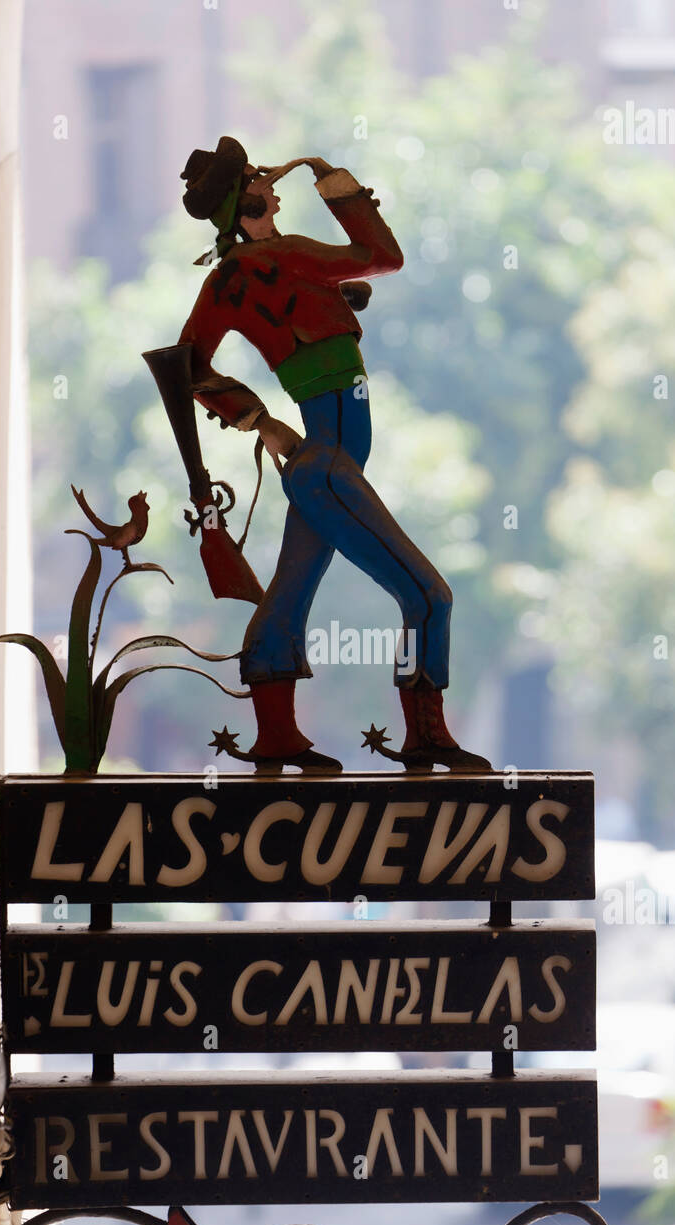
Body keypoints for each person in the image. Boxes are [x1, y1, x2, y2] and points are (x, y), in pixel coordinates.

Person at [178, 135, 491, 775]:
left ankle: (276, 739)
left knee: (290, 593)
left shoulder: (230, 281)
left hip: (319, 465)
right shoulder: (286, 258)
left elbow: (185, 366)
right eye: (261, 183)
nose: (272, 182)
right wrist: (333, 182)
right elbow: (382, 255)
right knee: (429, 595)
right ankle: (424, 733)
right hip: (324, 463)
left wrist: (259, 419)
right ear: (247, 204)